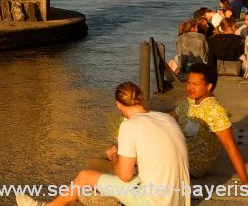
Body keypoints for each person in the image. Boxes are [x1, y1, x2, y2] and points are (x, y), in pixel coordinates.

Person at [17, 82, 189, 206]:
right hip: (181, 199)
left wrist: (115, 156)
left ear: (119, 105)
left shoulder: (129, 125)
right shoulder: (166, 118)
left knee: (85, 176)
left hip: (155, 202)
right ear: (141, 99)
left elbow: (125, 176)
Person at [173, 63, 248, 186]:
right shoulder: (190, 101)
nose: (189, 87)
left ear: (209, 86)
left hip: (191, 165)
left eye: (195, 84)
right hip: (177, 153)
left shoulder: (215, 111)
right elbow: (169, 118)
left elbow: (229, 145)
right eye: (188, 83)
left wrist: (245, 180)